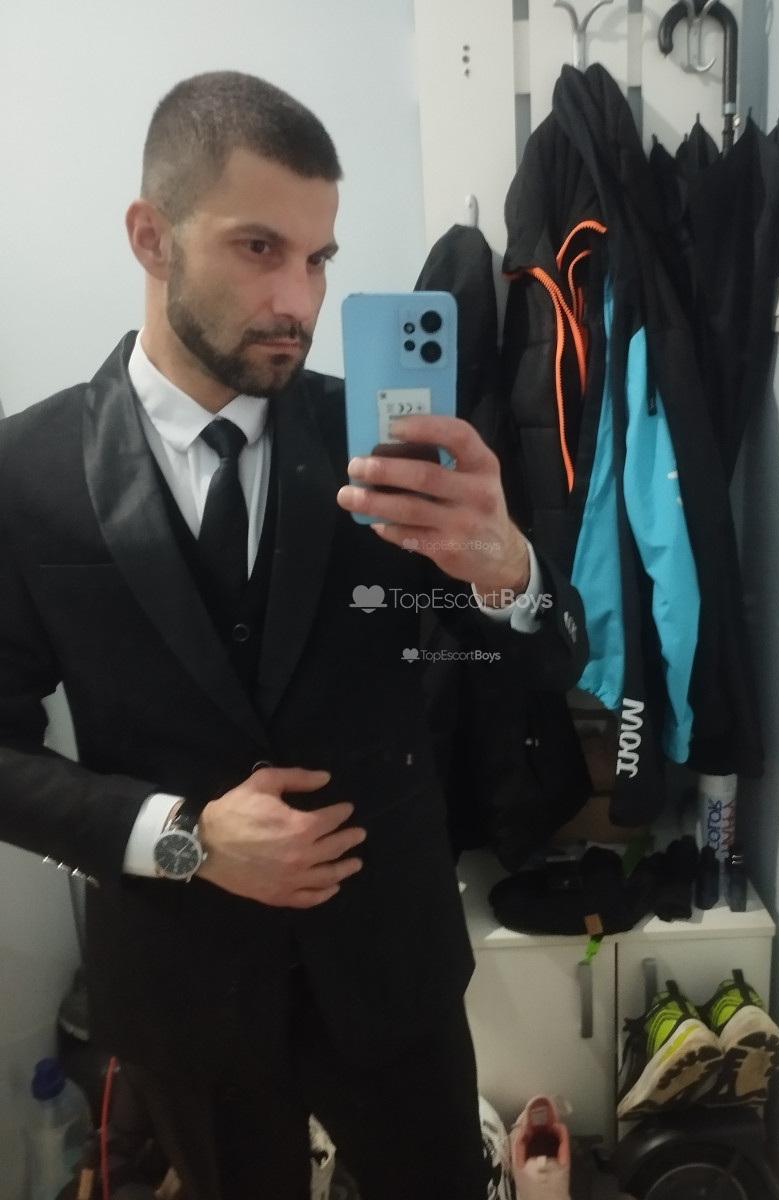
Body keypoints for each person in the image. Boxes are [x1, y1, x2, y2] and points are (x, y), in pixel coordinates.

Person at [0, 71, 588, 1200]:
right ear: (150, 236)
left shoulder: (387, 446)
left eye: (318, 259)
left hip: (392, 967)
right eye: (259, 248)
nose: (298, 300)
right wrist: (181, 836)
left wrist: (507, 567)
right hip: (184, 980)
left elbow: (552, 657)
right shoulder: (27, 473)